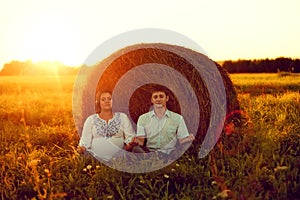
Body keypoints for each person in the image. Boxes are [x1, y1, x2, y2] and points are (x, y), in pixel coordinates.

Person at [133, 86, 195, 156]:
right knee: (136, 148)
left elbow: (182, 141)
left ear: (167, 98)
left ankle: (171, 161)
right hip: (150, 153)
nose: (158, 99)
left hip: (170, 153)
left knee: (188, 145)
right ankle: (150, 159)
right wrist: (134, 142)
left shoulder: (178, 118)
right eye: (155, 97)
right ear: (152, 100)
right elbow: (141, 141)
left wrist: (188, 139)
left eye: (161, 96)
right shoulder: (143, 118)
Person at [77, 91, 135, 161]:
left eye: (109, 99)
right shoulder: (91, 119)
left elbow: (130, 136)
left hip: (119, 157)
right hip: (95, 157)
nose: (107, 101)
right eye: (103, 99)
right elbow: (85, 140)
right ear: (98, 102)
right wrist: (82, 148)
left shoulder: (122, 117)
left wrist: (129, 145)